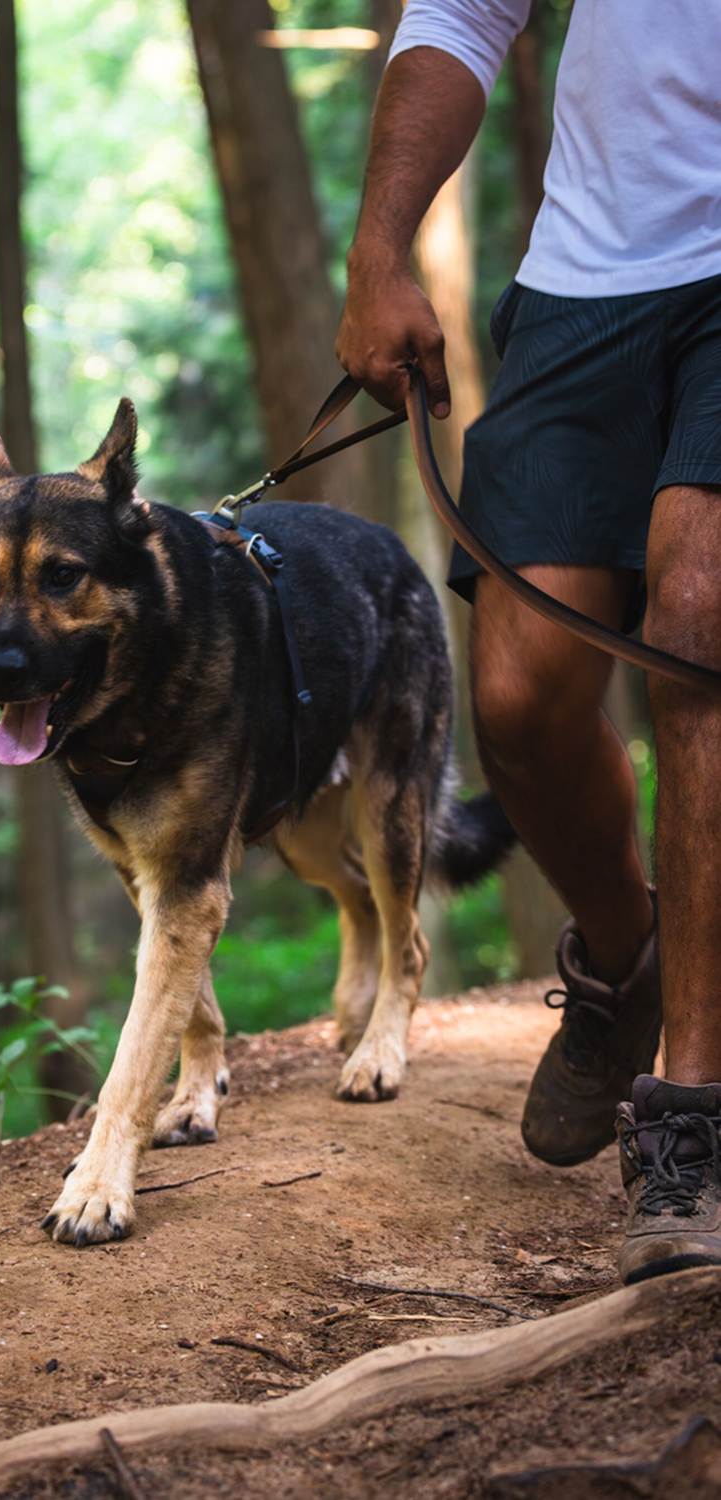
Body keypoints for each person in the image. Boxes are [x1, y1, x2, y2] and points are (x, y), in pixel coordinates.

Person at [336, 0, 721, 1284]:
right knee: (518, 693)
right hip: (590, 278)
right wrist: (381, 249)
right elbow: (460, 11)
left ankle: (692, 1122)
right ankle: (628, 954)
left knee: (696, 626)